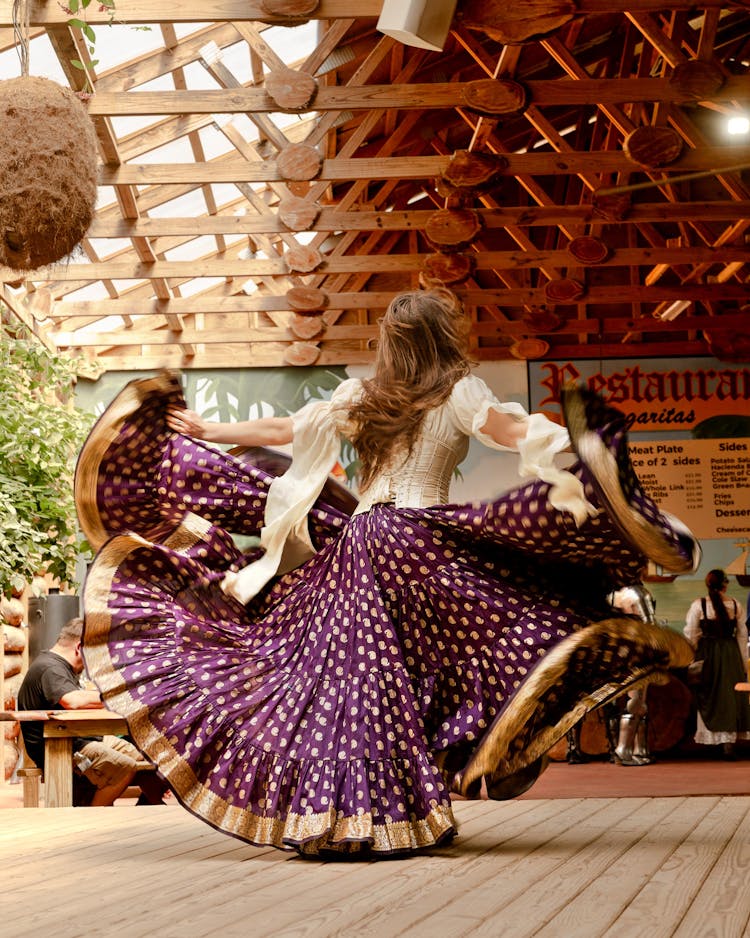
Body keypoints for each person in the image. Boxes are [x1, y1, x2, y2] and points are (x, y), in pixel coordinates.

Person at [75, 288, 699, 858]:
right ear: (443, 337)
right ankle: (481, 751)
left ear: (391, 347)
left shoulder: (364, 397)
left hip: (359, 542)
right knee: (490, 636)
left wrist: (211, 429)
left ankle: (337, 815)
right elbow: (516, 433)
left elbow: (287, 429)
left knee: (351, 681)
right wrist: (583, 452)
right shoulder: (459, 392)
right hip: (417, 539)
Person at [17, 617, 165, 806]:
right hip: (59, 746)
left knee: (145, 756)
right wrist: (119, 696)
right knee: (124, 768)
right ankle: (90, 820)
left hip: (79, 738)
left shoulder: (61, 667)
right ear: (79, 647)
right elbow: (73, 701)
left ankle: (152, 805)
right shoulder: (50, 668)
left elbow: (83, 695)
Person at [684, 569, 750, 759]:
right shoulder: (735, 605)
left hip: (708, 654)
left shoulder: (699, 605)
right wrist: (742, 661)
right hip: (730, 654)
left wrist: (692, 656)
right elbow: (742, 635)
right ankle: (728, 745)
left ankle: (717, 741)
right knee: (730, 696)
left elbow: (691, 633)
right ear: (725, 584)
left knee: (710, 695)